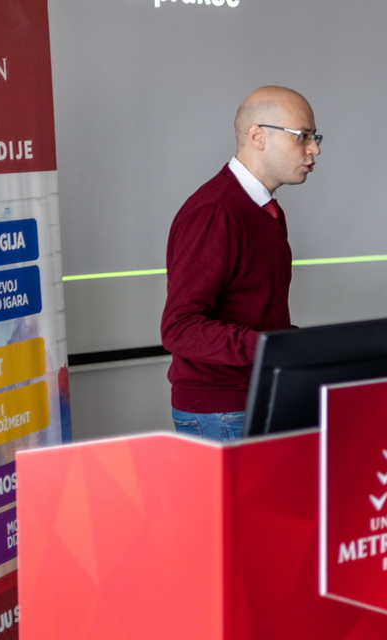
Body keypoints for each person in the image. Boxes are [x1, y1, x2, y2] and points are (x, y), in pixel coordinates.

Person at [160, 86, 322, 441]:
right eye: (303, 136)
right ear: (257, 136)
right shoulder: (215, 212)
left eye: (315, 137)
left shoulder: (266, 210)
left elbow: (254, 314)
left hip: (256, 397)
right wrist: (272, 346)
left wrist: (290, 344)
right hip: (223, 411)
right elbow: (179, 328)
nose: (314, 149)